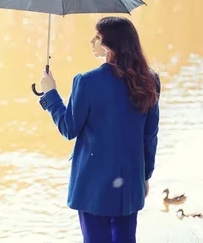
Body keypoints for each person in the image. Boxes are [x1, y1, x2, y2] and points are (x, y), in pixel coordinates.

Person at [37, 16, 160, 243]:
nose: (91, 41)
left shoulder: (86, 81)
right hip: (130, 182)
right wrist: (145, 175)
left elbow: (68, 128)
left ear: (108, 45)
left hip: (93, 185)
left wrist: (50, 94)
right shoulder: (149, 80)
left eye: (96, 36)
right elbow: (150, 135)